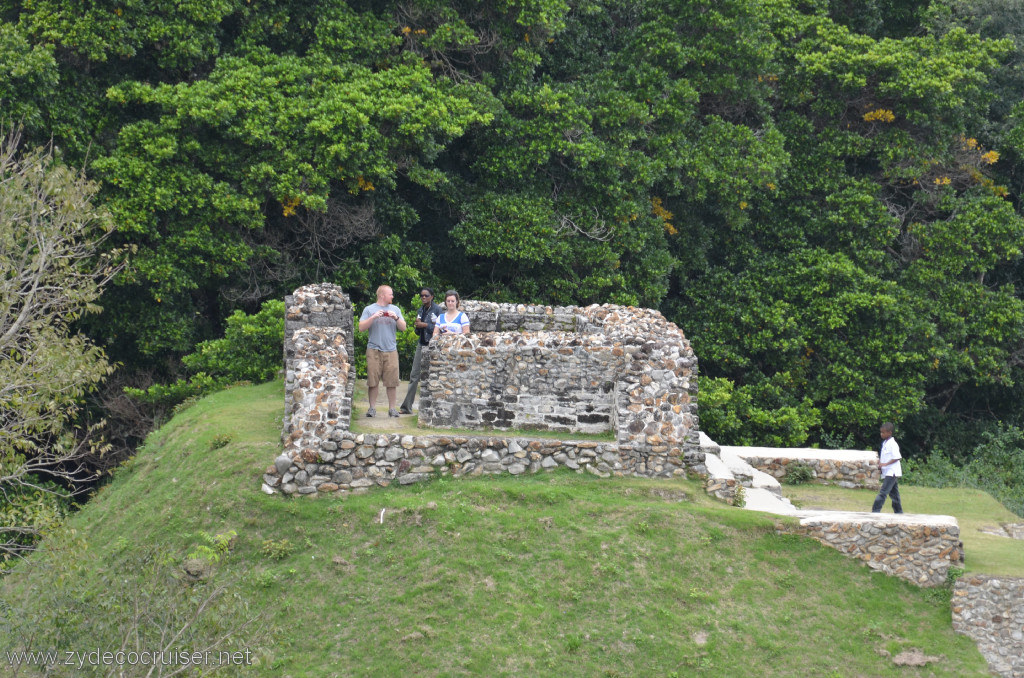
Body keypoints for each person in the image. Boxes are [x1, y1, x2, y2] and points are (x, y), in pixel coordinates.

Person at [357, 284, 407, 418]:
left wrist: (395, 318)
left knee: (392, 382)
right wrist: (373, 317)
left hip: (391, 350)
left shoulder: (395, 309)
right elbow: (361, 327)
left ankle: (392, 409)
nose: (392, 296)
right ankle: (372, 408)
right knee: (373, 381)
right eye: (390, 294)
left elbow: (404, 328)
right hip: (373, 349)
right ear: (382, 295)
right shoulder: (369, 309)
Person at [398, 287, 443, 415]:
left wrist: (425, 325)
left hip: (434, 346)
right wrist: (417, 325)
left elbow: (440, 328)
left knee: (433, 376)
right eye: (421, 296)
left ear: (432, 296)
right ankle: (407, 407)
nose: (423, 298)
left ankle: (433, 409)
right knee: (414, 375)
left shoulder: (438, 310)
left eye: (426, 295)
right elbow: (418, 332)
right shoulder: (421, 310)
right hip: (422, 344)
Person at [871, 421, 903, 513]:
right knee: (894, 494)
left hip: (892, 472)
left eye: (883, 432)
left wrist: (885, 464)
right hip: (887, 471)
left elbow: (896, 457)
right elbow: (885, 457)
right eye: (881, 432)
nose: (882, 434)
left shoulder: (893, 444)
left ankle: (875, 511)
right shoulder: (885, 443)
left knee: (883, 493)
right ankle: (899, 512)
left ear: (889, 433)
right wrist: (881, 465)